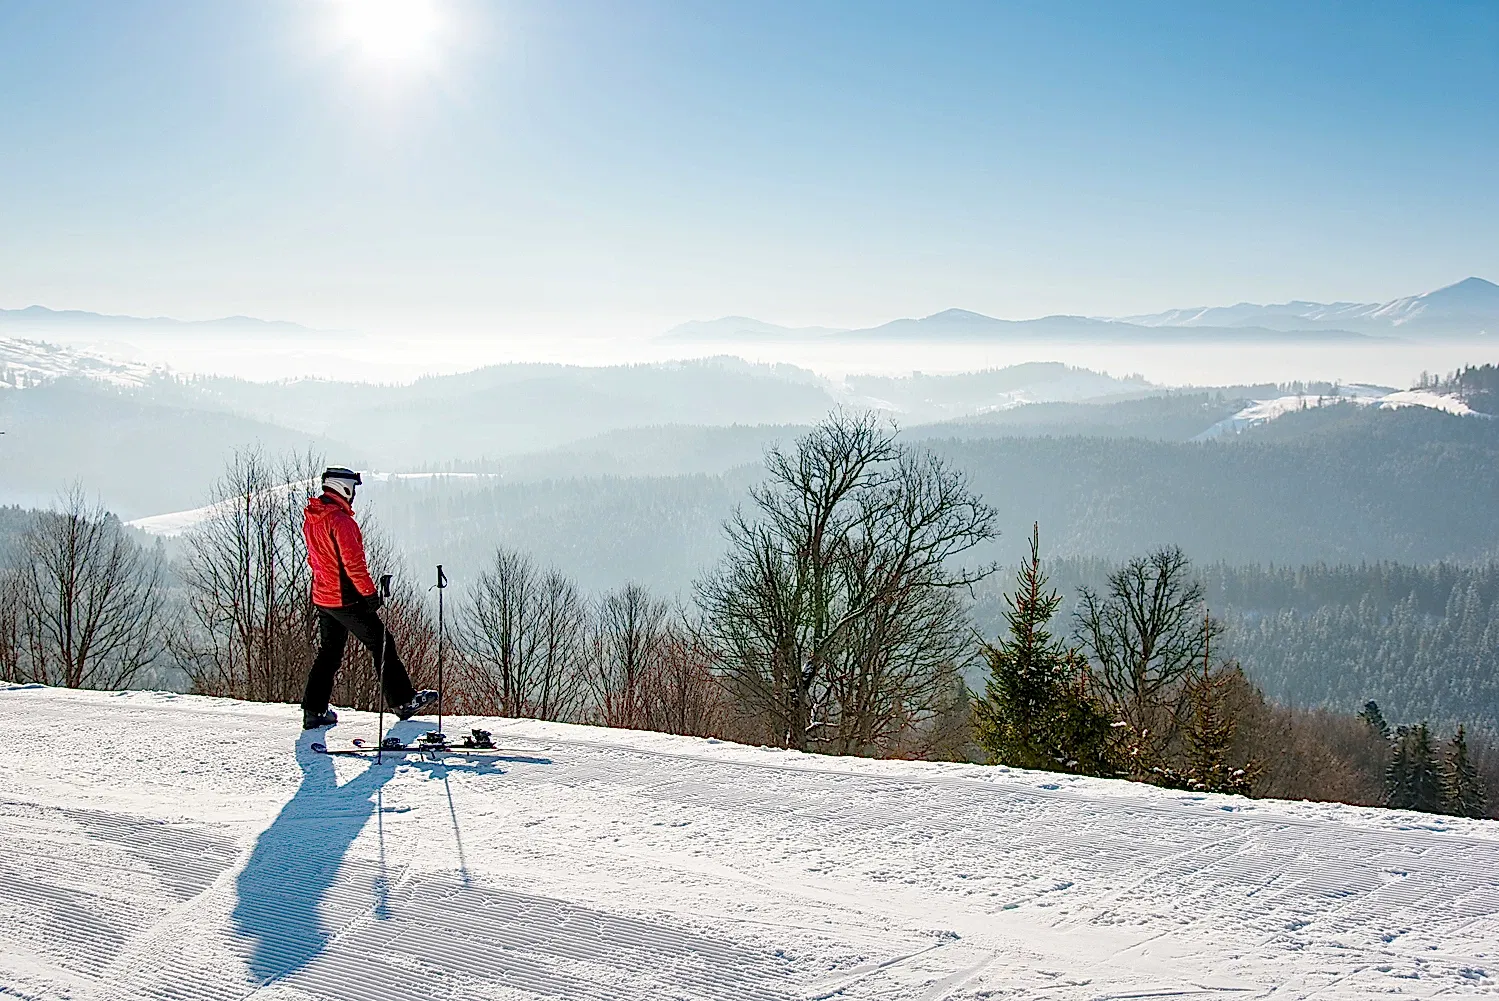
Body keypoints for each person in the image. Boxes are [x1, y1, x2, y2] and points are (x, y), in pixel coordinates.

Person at [300, 466, 436, 730]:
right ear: (344, 488)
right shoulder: (341, 521)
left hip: (323, 596)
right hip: (345, 599)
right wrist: (369, 594)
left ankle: (313, 711)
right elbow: (354, 564)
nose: (353, 496)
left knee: (328, 653)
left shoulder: (314, 517)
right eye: (353, 489)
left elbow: (315, 559)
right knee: (382, 643)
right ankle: (403, 701)